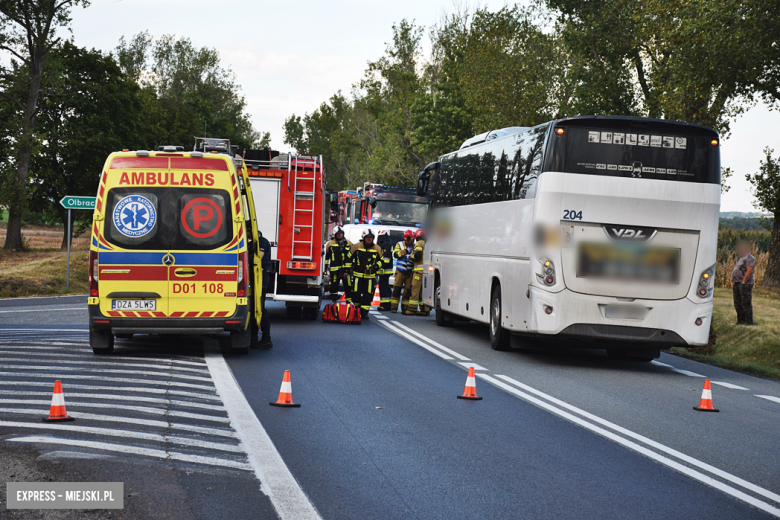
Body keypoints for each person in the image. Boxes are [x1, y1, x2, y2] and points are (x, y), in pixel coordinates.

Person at [349, 229, 383, 319]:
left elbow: (381, 262)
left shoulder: (377, 248)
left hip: (370, 277)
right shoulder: (356, 247)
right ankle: (356, 309)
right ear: (364, 238)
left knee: (368, 295)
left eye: (371, 237)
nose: (369, 239)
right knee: (356, 293)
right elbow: (348, 259)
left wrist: (375, 267)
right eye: (367, 237)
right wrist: (347, 270)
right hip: (357, 276)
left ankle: (364, 313)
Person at [254, 231, 273, 349]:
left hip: (261, 277)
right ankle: (254, 337)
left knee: (260, 308)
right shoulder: (256, 242)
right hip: (258, 277)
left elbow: (258, 257)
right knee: (256, 308)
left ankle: (266, 338)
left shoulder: (262, 242)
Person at [404, 228, 430, 316]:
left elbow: (418, 255)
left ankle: (412, 309)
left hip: (419, 271)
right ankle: (425, 309)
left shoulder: (419, 243)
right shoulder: (428, 243)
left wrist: (409, 257)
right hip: (427, 272)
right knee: (423, 291)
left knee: (414, 290)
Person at [324, 227, 353, 302]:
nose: (340, 235)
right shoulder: (330, 244)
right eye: (338, 234)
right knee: (333, 287)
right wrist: (325, 268)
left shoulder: (349, 243)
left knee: (348, 286)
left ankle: (348, 303)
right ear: (335, 235)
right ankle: (334, 302)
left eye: (341, 233)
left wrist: (351, 269)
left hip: (346, 270)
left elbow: (352, 257)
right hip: (334, 270)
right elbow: (327, 258)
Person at [391, 230, 415, 313]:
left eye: (410, 240)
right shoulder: (399, 244)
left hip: (410, 271)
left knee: (408, 290)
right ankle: (394, 307)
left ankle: (405, 307)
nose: (408, 241)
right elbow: (395, 254)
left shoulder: (415, 246)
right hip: (400, 270)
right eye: (407, 240)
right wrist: (405, 252)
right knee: (397, 288)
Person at [732, 240, 756, 325]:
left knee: (745, 303)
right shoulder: (741, 258)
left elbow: (749, 271)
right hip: (737, 283)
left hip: (745, 284)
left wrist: (743, 282)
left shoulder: (750, 258)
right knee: (737, 303)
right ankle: (740, 321)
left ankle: (749, 322)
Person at [376, 229, 393, 310]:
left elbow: (386, 258)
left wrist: (381, 267)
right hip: (387, 269)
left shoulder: (386, 244)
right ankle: (388, 304)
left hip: (385, 270)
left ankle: (384, 305)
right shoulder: (388, 243)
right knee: (386, 286)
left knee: (383, 287)